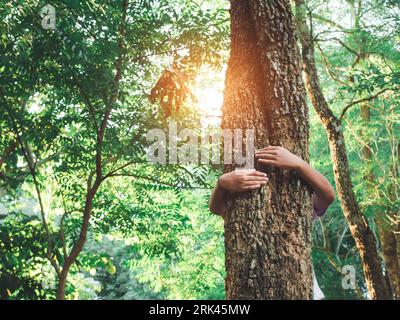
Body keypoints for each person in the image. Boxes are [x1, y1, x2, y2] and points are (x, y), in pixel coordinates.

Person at [209, 145, 336, 300]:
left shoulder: (299, 207)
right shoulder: (241, 208)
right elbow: (218, 209)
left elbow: (328, 195)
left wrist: (299, 163)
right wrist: (221, 184)